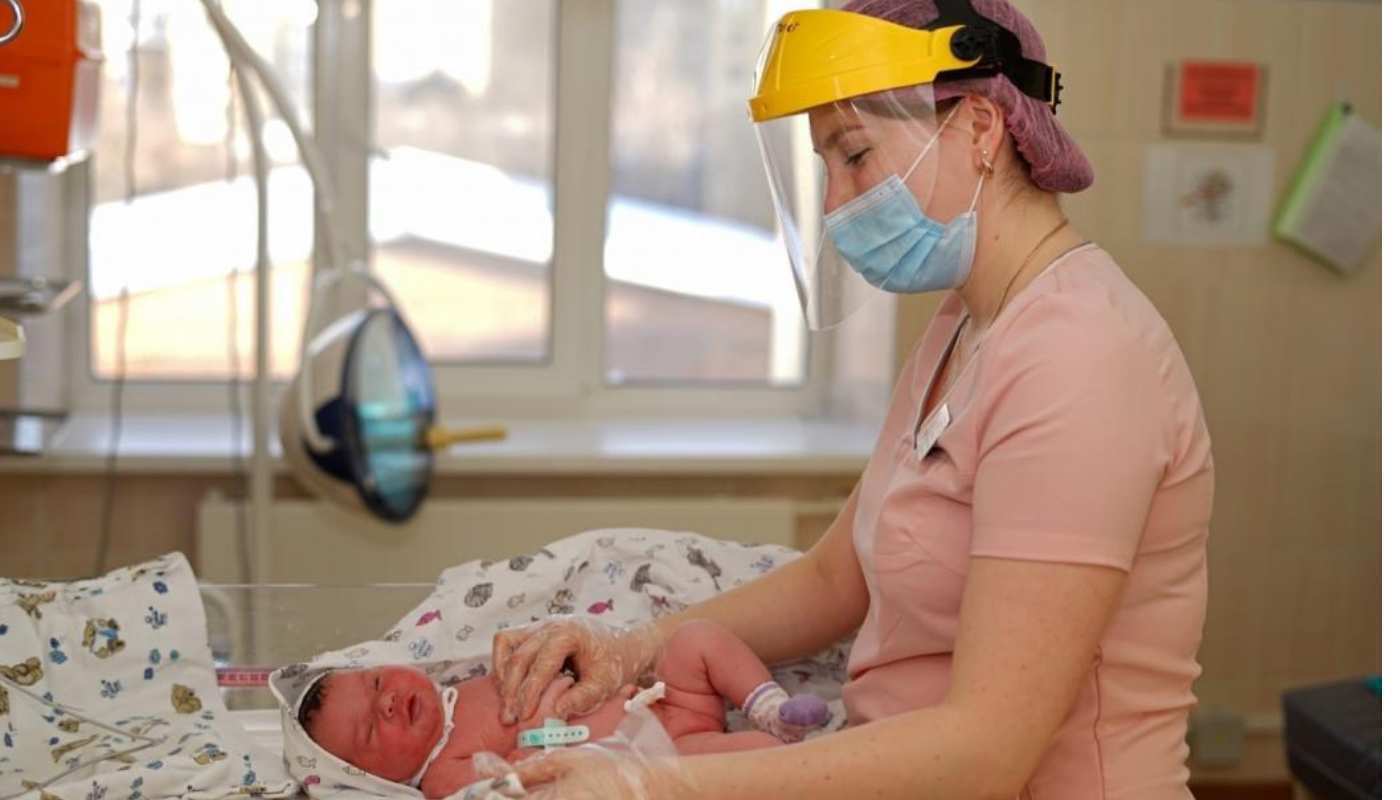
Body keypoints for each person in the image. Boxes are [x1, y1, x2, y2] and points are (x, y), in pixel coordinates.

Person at [493, 0, 1213, 798]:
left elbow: (988, 752)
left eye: (857, 155)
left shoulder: (1079, 357)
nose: (837, 205)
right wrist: (632, 648)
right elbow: (837, 579)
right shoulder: (968, 324)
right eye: (825, 167)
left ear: (981, 127)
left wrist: (654, 786)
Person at [294, 621, 830, 799]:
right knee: (757, 761)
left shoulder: (460, 679)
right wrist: (528, 743)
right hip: (658, 754)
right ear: (376, 779)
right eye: (371, 728)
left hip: (664, 695)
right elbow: (508, 786)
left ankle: (770, 706)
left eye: (376, 681)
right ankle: (780, 740)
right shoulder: (439, 774)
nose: (388, 701)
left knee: (697, 639)